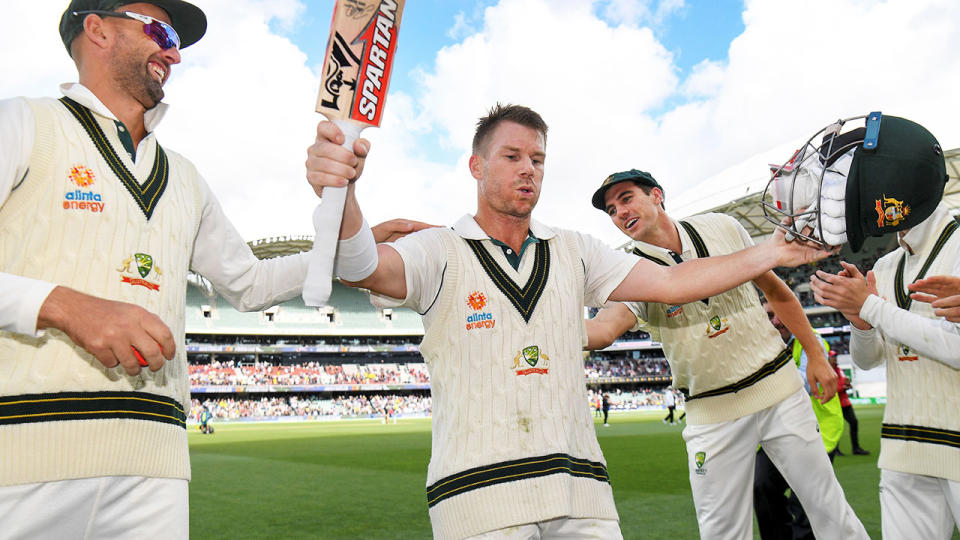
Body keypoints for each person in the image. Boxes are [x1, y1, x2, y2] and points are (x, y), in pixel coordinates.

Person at [304, 103, 834, 539]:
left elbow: (674, 282)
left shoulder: (577, 249)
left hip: (581, 495)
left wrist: (772, 250)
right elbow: (362, 267)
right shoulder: (438, 249)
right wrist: (342, 190)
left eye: (537, 158)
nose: (527, 168)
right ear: (476, 166)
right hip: (479, 500)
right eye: (511, 155)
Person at [0, 2, 311, 537]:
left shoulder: (185, 176)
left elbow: (251, 285)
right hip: (24, 456)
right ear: (96, 29)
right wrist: (62, 305)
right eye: (161, 32)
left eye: (177, 41)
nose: (173, 52)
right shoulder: (24, 122)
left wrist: (349, 245)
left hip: (157, 466)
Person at [584, 169, 866, 539]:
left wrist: (815, 352)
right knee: (722, 533)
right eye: (610, 209)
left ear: (656, 195)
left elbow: (776, 291)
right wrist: (543, 329)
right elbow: (604, 329)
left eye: (626, 198)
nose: (619, 212)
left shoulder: (721, 227)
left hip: (778, 389)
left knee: (830, 511)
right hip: (711, 411)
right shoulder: (630, 271)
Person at [809, 115, 960, 539]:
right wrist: (861, 323)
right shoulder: (888, 264)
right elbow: (870, 361)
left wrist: (871, 307)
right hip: (903, 449)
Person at [753, 300, 844, 540]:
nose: (776, 321)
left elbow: (806, 383)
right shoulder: (758, 342)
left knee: (807, 500)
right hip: (775, 433)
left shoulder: (811, 342)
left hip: (817, 431)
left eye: (781, 314)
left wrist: (762, 374)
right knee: (761, 486)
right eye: (770, 315)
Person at [829, 351, 869, 456]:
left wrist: (848, 384)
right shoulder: (828, 371)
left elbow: (843, 382)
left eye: (836, 357)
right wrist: (843, 387)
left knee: (854, 422)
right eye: (833, 357)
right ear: (828, 358)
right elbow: (830, 388)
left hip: (845, 402)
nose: (835, 359)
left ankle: (855, 448)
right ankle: (835, 449)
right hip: (835, 403)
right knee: (837, 427)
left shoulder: (839, 370)